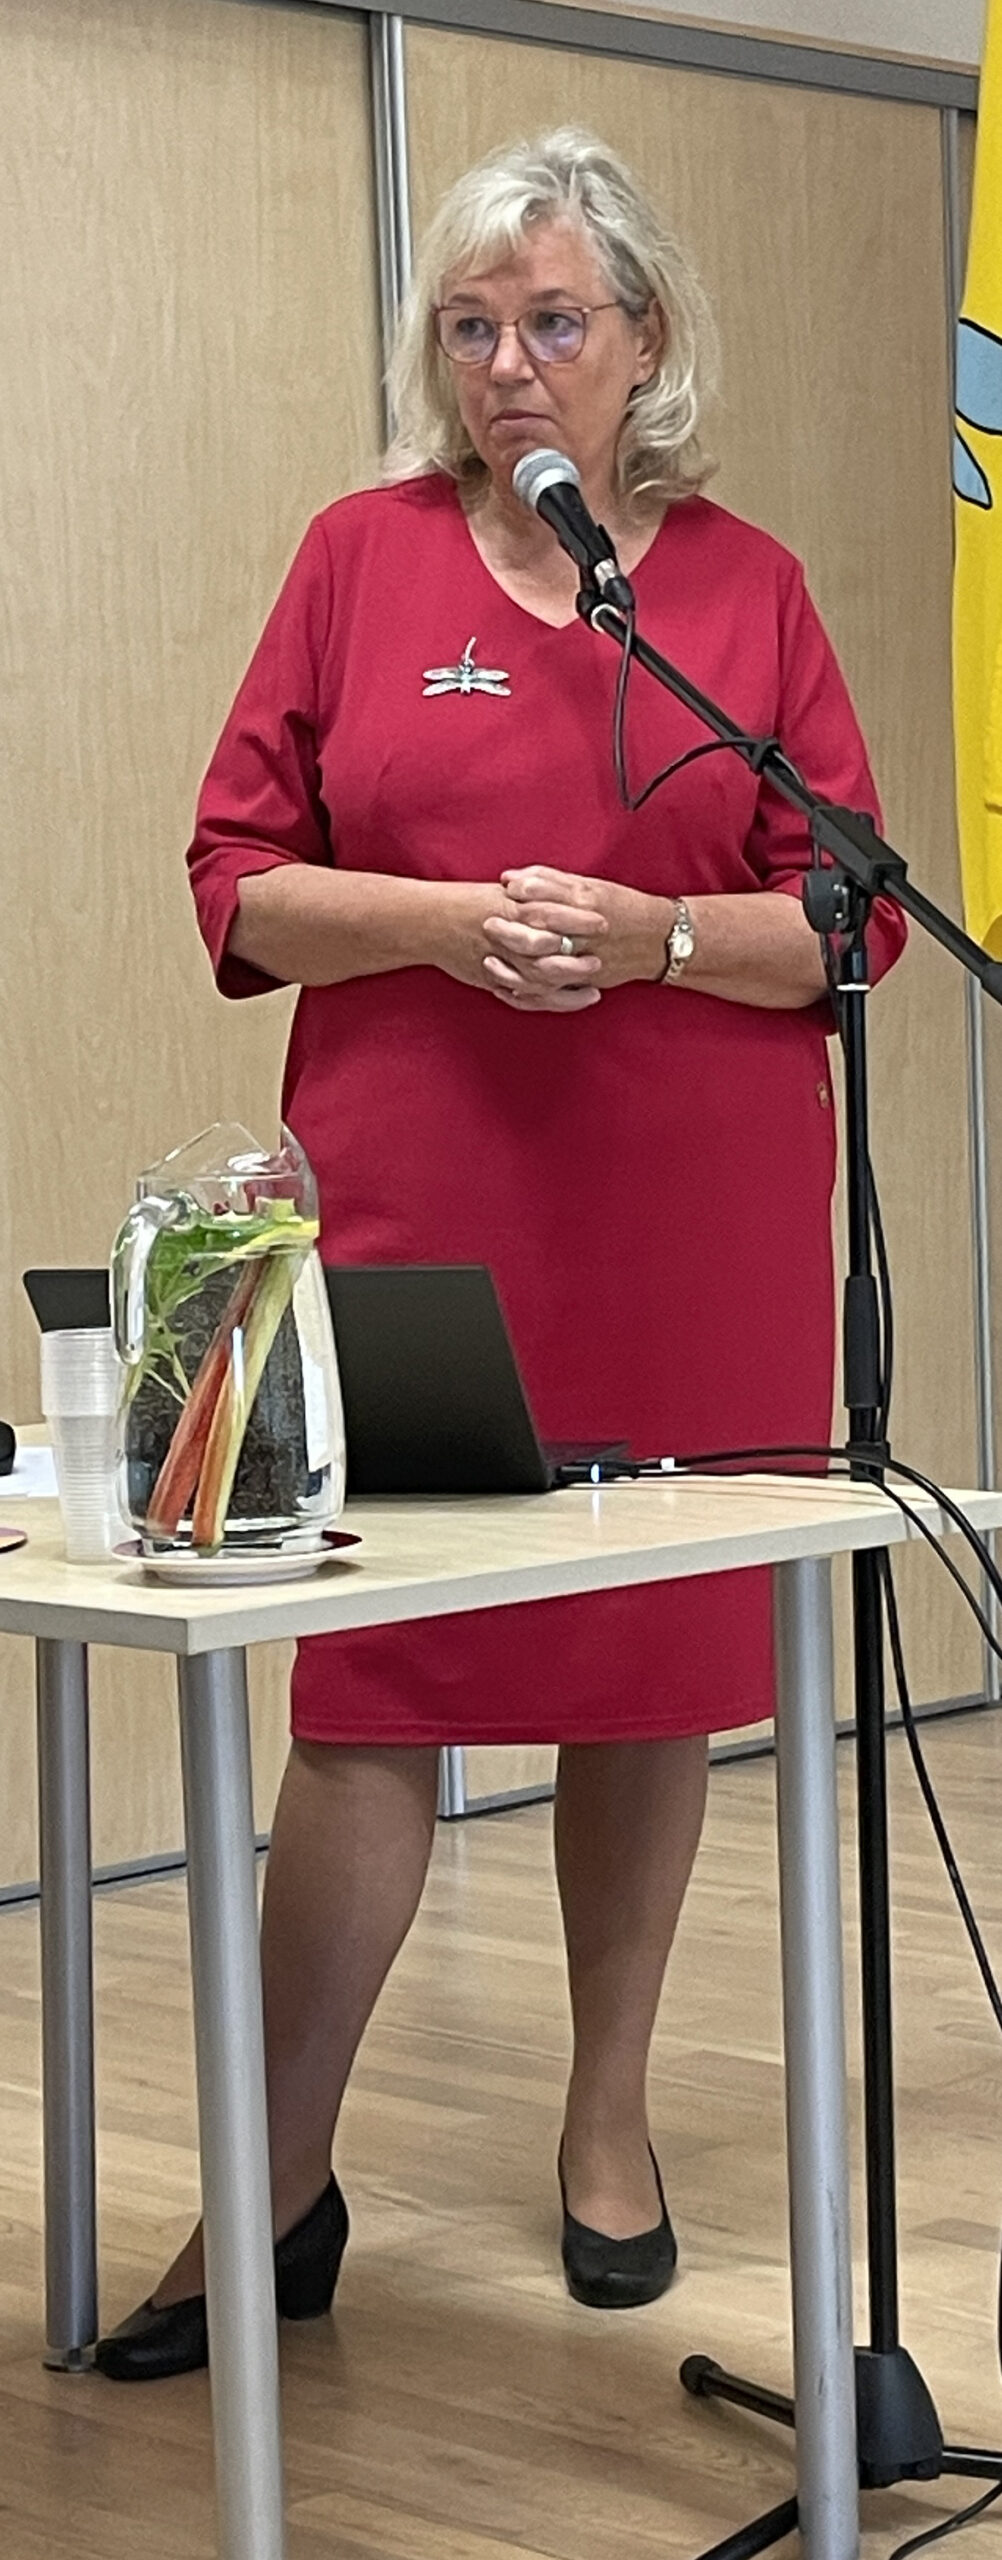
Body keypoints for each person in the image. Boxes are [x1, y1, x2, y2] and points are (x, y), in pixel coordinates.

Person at [96, 127, 905, 2381]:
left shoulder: (739, 587)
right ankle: (270, 2186)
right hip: (422, 1219)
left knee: (648, 1675)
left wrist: (657, 935)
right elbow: (237, 881)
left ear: (646, 340)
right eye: (471, 328)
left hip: (693, 1230)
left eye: (553, 322)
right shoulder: (356, 560)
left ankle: (606, 2126)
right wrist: (455, 924)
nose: (509, 365)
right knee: (373, 1693)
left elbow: (851, 916)